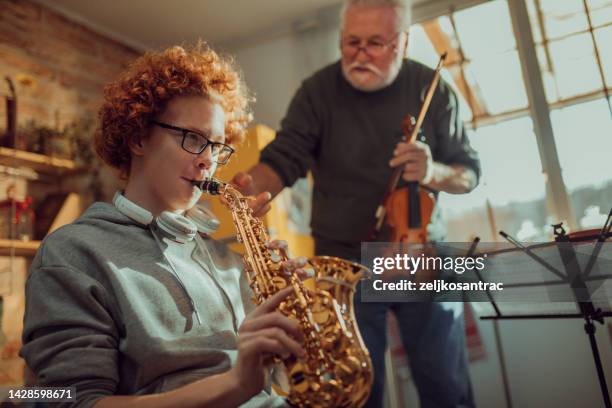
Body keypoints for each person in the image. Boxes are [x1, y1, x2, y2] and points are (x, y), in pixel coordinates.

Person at [20, 43, 307, 408]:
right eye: (192, 139)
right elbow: (69, 403)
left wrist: (286, 323)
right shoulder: (72, 253)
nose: (208, 162)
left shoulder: (228, 260)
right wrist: (235, 385)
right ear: (138, 137)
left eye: (217, 147)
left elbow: (277, 378)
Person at [232, 0, 481, 407]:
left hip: (419, 253)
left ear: (402, 43)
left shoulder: (433, 90)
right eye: (351, 42)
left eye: (375, 43)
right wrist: (247, 189)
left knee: (443, 380)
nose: (359, 53)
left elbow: (469, 174)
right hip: (342, 261)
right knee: (356, 388)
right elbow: (283, 159)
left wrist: (433, 171)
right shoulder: (317, 92)